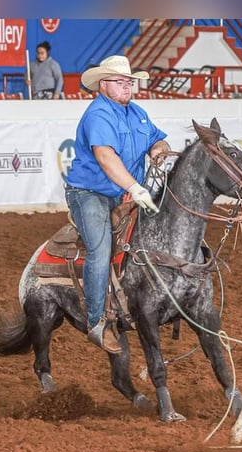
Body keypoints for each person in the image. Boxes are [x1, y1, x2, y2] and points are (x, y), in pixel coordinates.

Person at [64, 54, 170, 353]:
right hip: (89, 193)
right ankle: (96, 321)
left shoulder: (138, 113)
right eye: (121, 82)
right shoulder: (98, 115)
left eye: (129, 82)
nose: (128, 87)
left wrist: (159, 150)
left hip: (123, 193)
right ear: (102, 85)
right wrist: (136, 189)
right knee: (100, 248)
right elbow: (106, 157)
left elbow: (158, 140)